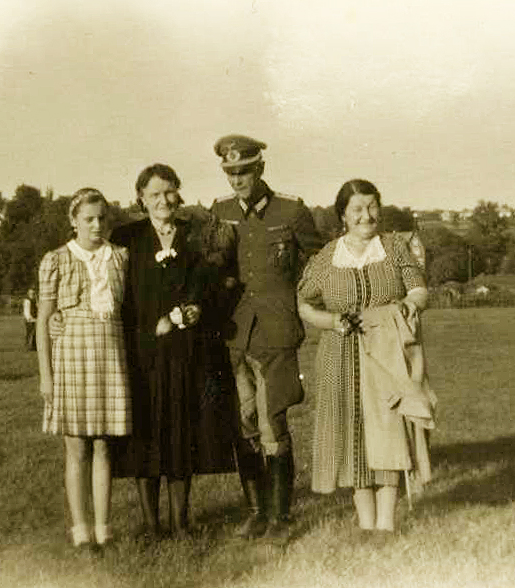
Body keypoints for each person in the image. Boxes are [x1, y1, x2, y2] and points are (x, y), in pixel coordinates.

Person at [296, 179, 436, 534]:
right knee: (353, 433)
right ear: (343, 214)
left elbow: (419, 289)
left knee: (388, 430)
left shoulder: (394, 248)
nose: (366, 216)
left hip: (387, 355)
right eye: (357, 209)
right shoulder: (327, 256)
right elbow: (304, 303)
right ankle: (366, 522)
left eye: (372, 206)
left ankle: (386, 523)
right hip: (339, 356)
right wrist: (330, 321)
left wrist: (407, 305)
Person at [110, 164, 237, 539]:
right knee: (145, 437)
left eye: (169, 192)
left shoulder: (196, 237)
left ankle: (181, 522)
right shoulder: (126, 237)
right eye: (154, 194)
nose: (163, 200)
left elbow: (214, 287)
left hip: (187, 353)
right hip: (141, 354)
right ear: (141, 199)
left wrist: (198, 308)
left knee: (183, 432)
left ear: (178, 193)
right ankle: (152, 525)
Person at [210, 135, 323, 542]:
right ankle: (256, 512)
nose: (237, 180)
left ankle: (281, 517)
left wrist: (302, 301)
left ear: (259, 169)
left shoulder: (291, 210)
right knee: (245, 422)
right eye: (230, 173)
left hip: (276, 331)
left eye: (243, 171)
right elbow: (214, 267)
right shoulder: (220, 212)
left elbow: (319, 262)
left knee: (273, 420)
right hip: (236, 333)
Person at [36, 188, 132, 553]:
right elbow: (45, 320)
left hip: (110, 354)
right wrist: (46, 376)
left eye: (102, 218)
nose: (96, 225)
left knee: (104, 445)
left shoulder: (120, 257)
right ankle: (80, 528)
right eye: (88, 218)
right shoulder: (56, 260)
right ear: (73, 221)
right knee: (76, 447)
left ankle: (104, 528)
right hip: (71, 358)